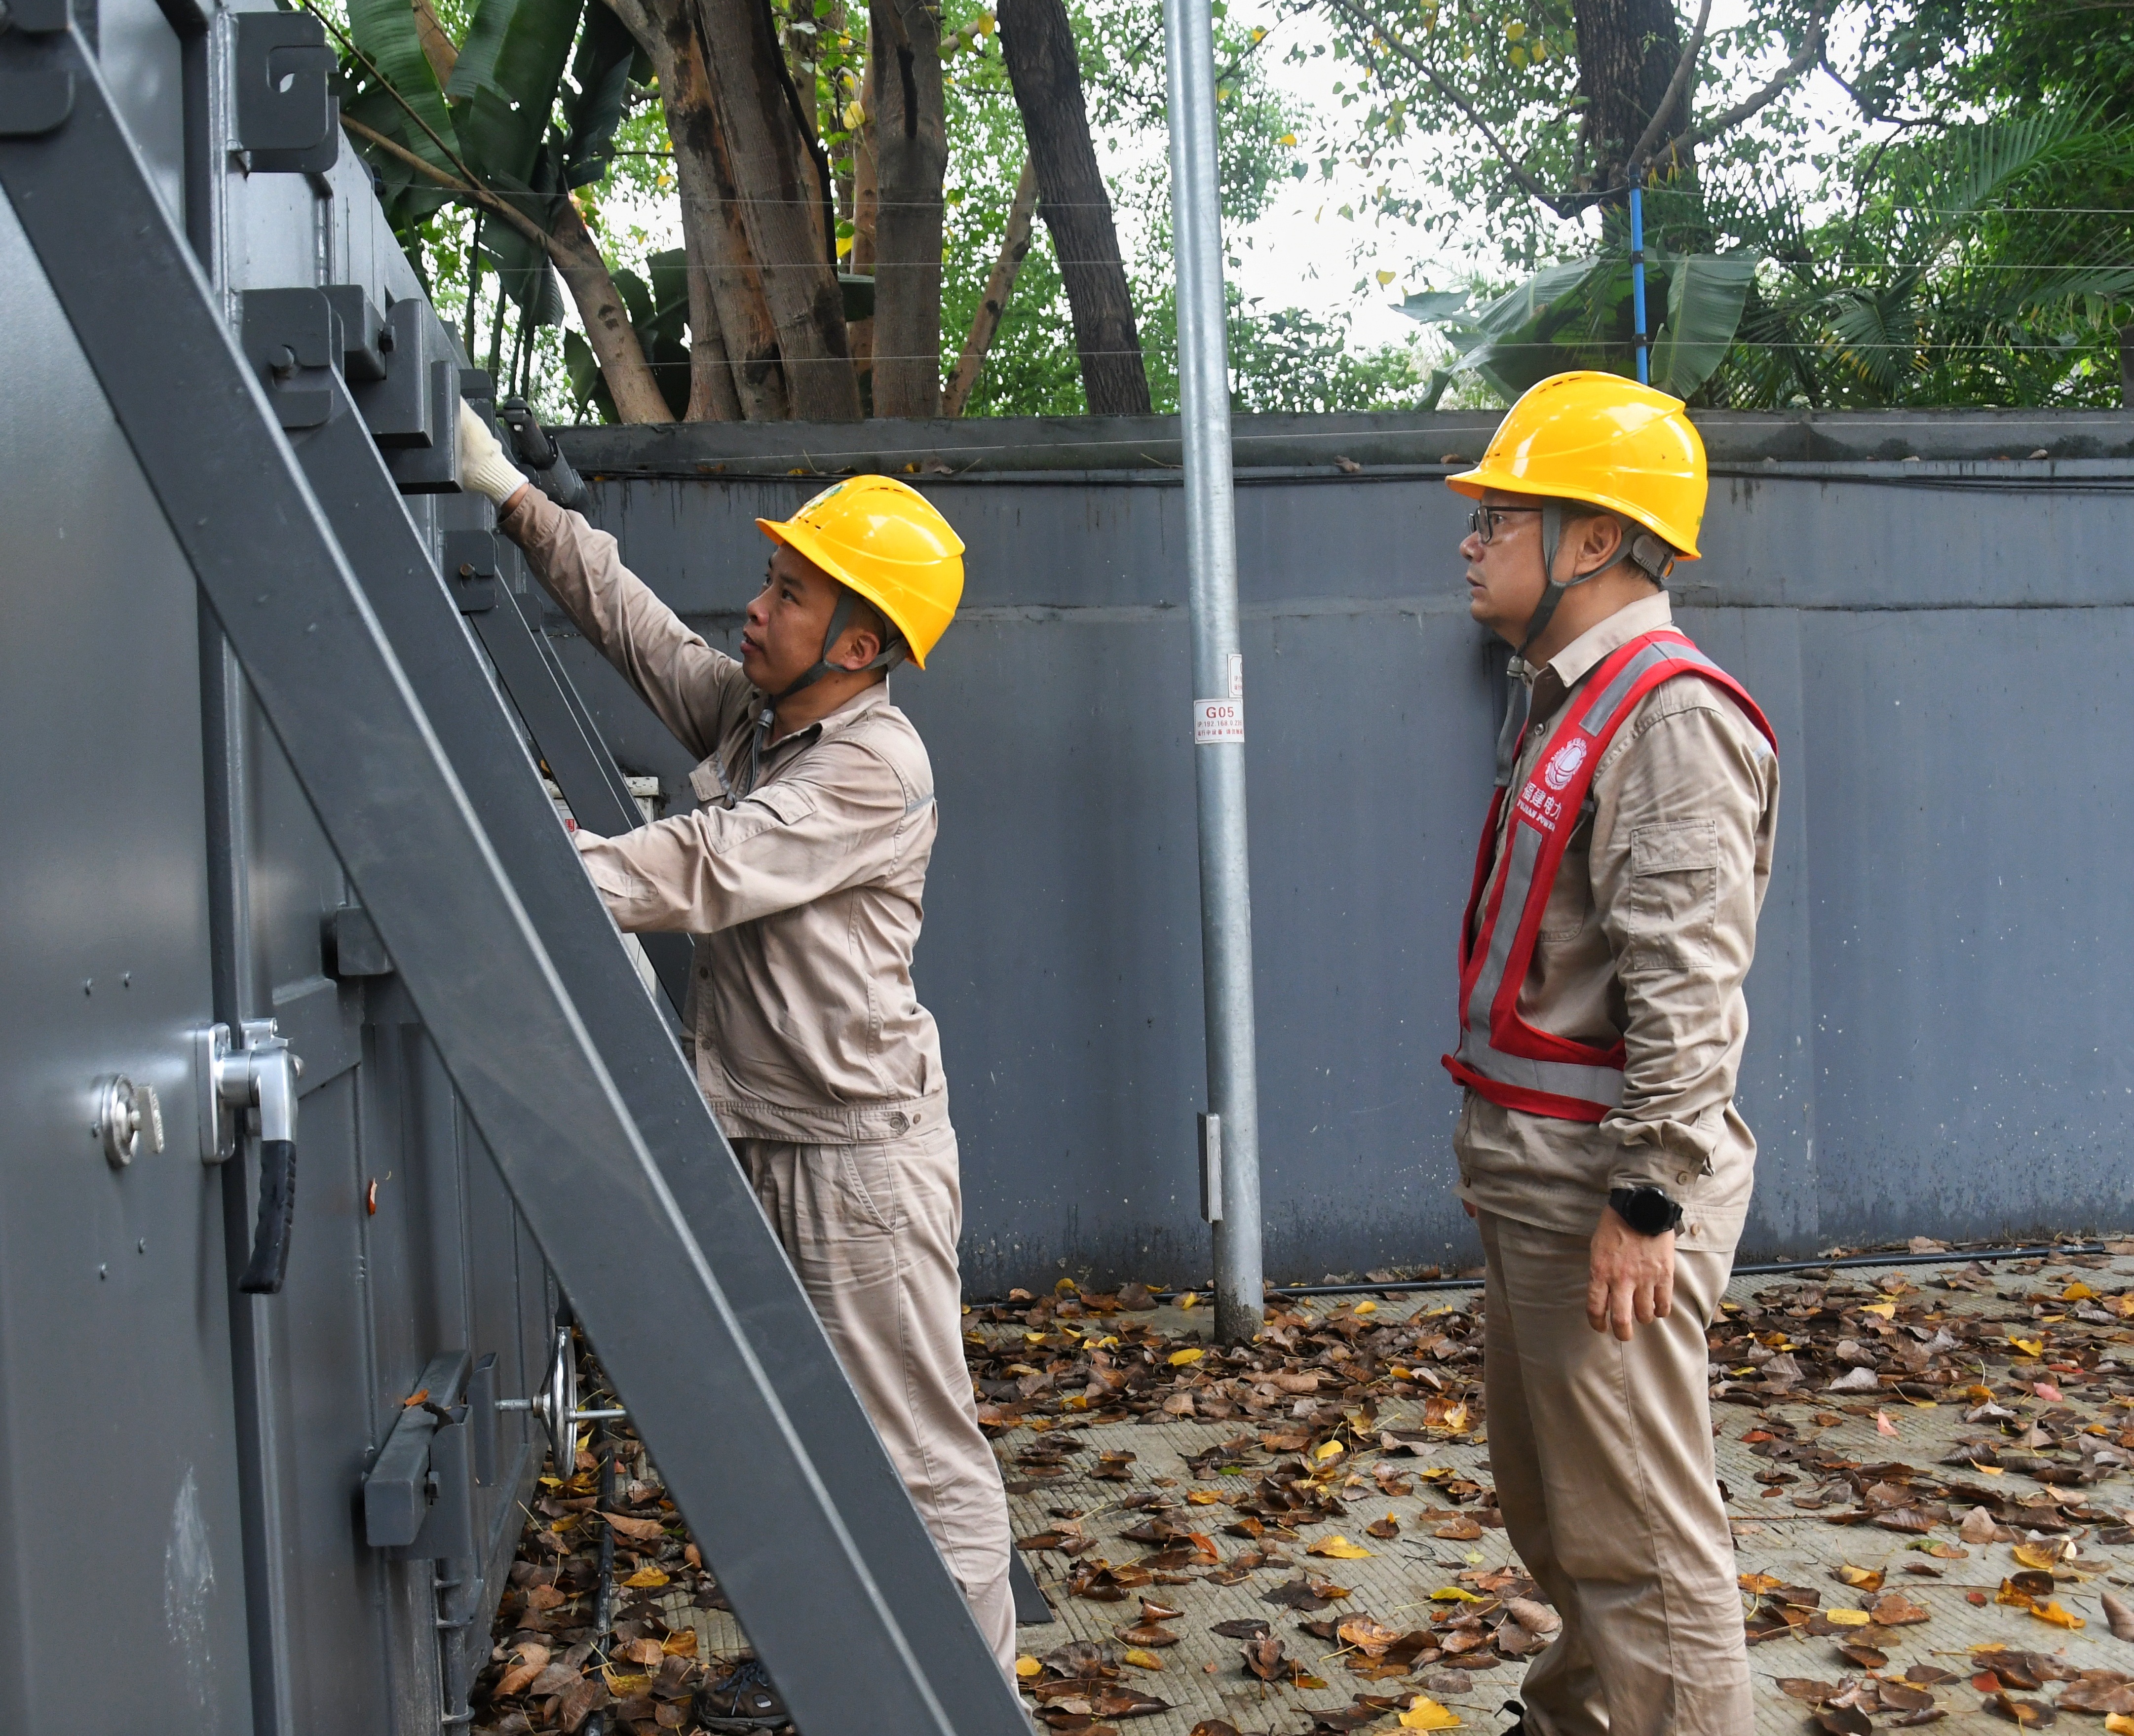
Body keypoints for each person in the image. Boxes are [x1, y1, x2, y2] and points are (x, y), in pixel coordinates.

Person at [452, 406, 1018, 1694]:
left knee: (921, 1462)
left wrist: (521, 844)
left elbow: (703, 867)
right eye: (769, 584)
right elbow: (636, 628)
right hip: (770, 1134)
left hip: (854, 1162)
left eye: (788, 594)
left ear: (860, 642)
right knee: (802, 1437)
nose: (754, 612)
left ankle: (974, 1701)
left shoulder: (872, 765)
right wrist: (513, 499)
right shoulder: (764, 724)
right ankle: (840, 1656)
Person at [1438, 373, 1780, 1735]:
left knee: (1638, 1543)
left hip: (1607, 1193)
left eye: (1498, 514)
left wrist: (1643, 1203)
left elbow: (1686, 994)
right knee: (1564, 1513)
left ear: (1589, 541)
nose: (1469, 538)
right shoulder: (1575, 695)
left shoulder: (1669, 715)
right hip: (1546, 1178)